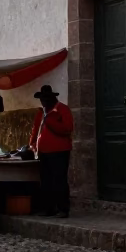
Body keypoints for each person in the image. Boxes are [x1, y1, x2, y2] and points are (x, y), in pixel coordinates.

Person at [29, 84, 73, 218]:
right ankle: (48, 208)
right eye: (42, 99)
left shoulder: (62, 110)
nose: (44, 102)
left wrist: (50, 121)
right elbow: (35, 130)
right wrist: (32, 144)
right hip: (43, 152)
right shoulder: (40, 113)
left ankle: (63, 209)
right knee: (46, 181)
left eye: (46, 99)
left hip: (60, 151)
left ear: (52, 98)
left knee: (59, 180)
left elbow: (67, 129)